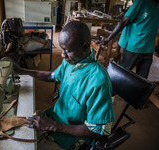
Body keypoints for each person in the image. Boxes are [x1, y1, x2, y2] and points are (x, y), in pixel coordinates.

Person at [15, 21, 115, 150]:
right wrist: (24, 71)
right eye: (62, 49)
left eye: (67, 51)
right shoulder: (71, 62)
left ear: (85, 47)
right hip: (55, 118)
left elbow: (99, 130)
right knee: (19, 130)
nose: (63, 55)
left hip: (71, 137)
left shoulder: (98, 81)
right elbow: (51, 76)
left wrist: (54, 126)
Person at [95, 0, 159, 79]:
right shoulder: (142, 2)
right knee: (123, 74)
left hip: (149, 48)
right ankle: (113, 90)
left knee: (142, 79)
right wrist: (108, 39)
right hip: (134, 46)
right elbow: (124, 21)